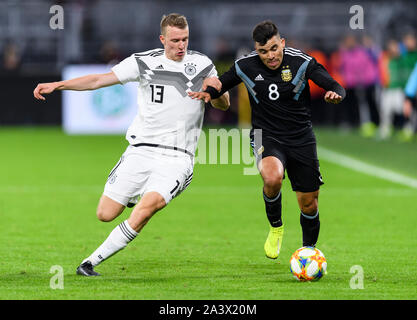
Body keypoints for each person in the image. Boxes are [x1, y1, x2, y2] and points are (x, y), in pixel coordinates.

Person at [33, 13, 230, 276]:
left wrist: (215, 92)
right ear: (163, 39)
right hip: (141, 150)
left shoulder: (202, 64)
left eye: (184, 39)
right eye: (175, 40)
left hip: (177, 157)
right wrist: (58, 85)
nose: (181, 45)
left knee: (147, 208)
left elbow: (223, 103)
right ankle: (135, 194)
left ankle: (89, 263)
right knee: (105, 213)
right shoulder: (143, 62)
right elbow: (97, 80)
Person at [189, 21, 345, 260]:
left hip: (301, 137)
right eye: (263, 51)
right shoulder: (245, 65)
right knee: (272, 177)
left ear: (282, 43)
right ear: (256, 50)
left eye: (274, 48)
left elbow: (333, 83)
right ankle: (276, 226)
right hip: (266, 135)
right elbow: (222, 83)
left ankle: (308, 252)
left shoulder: (301, 62)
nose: (270, 56)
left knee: (309, 204)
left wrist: (336, 93)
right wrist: (208, 92)